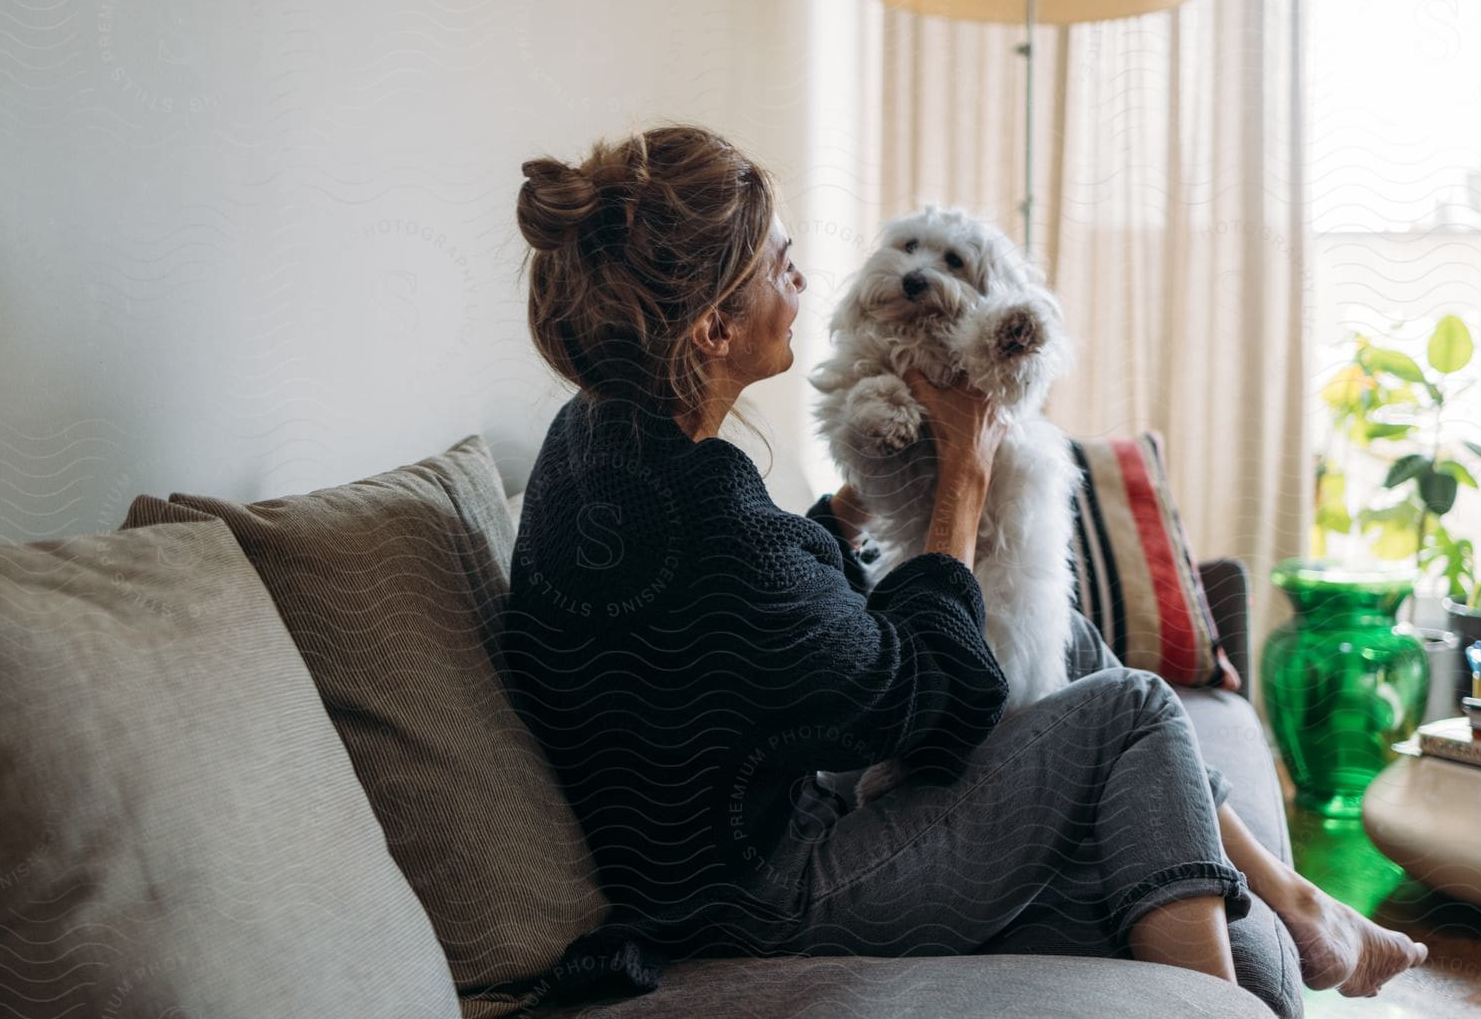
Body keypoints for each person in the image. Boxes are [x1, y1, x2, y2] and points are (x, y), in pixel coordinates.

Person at [496, 123, 1427, 1017]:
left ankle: (1295, 901)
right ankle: (1240, 972)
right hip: (761, 903)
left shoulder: (599, 439)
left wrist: (851, 509)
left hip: (722, 846)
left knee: (1062, 635)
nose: (806, 279)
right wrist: (965, 469)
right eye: (781, 265)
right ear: (710, 330)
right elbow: (935, 705)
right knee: (1136, 707)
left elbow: (748, 619)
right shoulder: (707, 506)